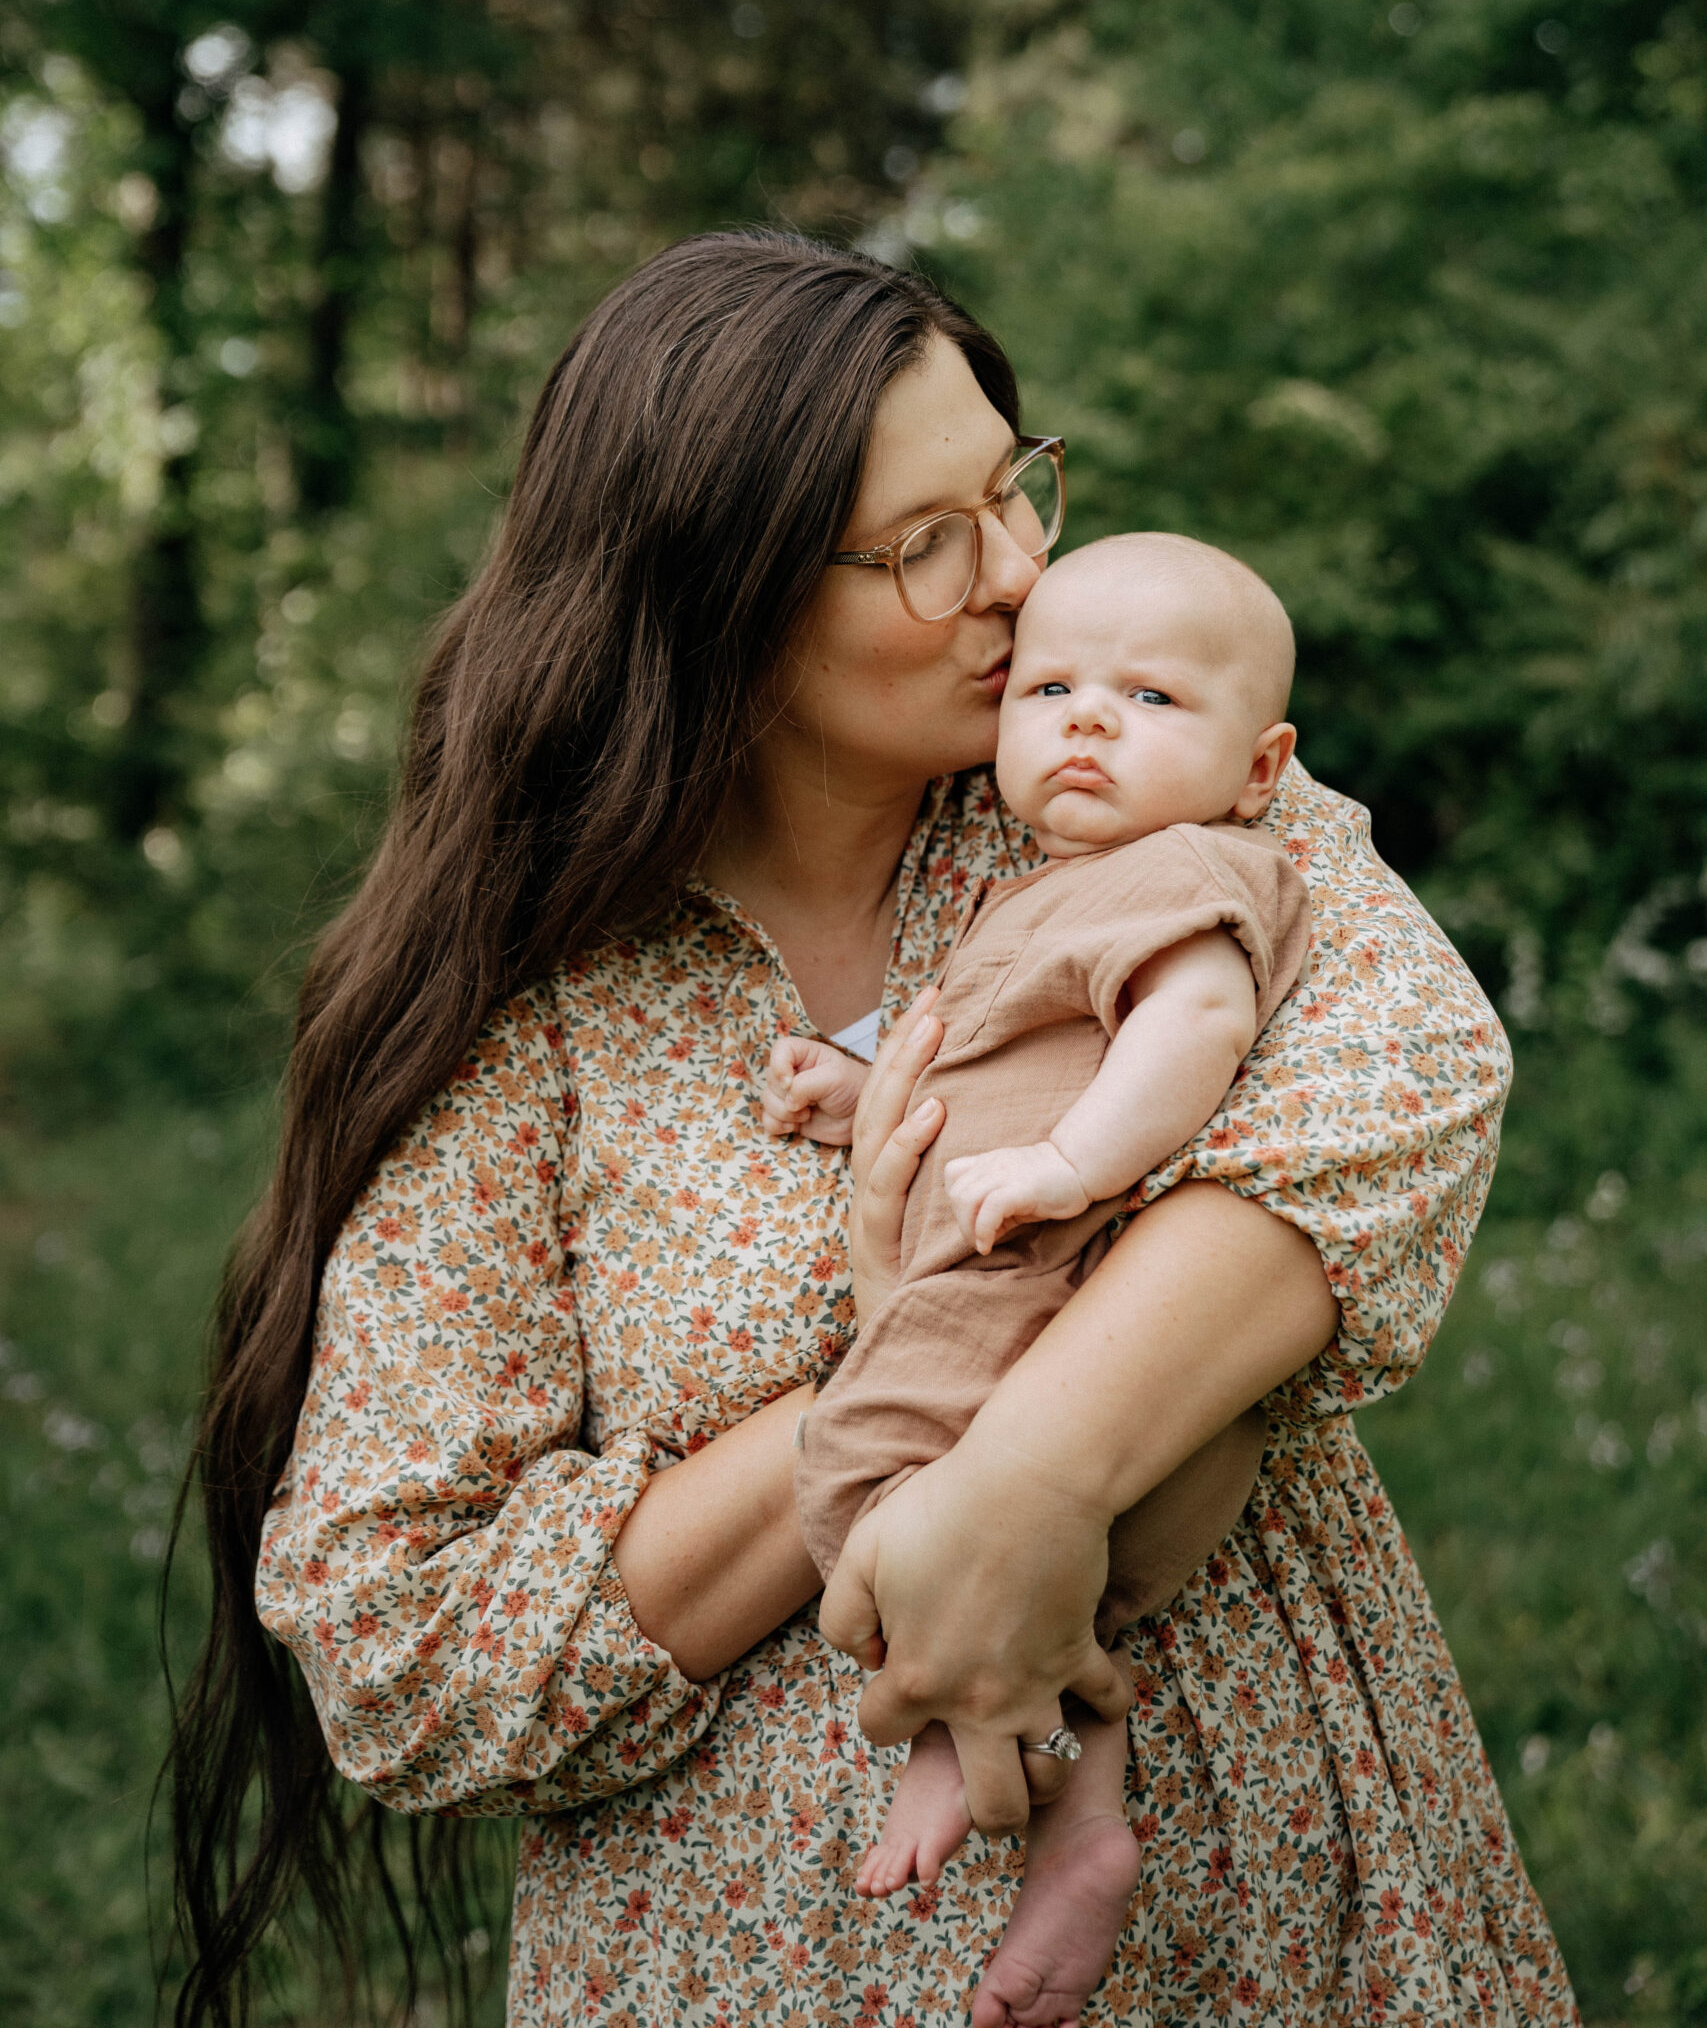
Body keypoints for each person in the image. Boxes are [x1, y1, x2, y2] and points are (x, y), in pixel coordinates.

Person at [170, 230, 1578, 2028]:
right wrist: (868, 1395)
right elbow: (404, 1646)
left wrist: (1029, 1478)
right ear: (718, 599)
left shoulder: (1118, 786)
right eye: (927, 545)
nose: (1020, 578)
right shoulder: (537, 1025)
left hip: (1285, 1917)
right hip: (787, 1967)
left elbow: (1401, 1070)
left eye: (1014, 490)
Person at [776, 532, 1310, 2027]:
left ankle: (988, 1760)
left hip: (1059, 1292)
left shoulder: (1198, 869)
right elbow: (984, 1033)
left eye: (1147, 698)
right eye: (1055, 688)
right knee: (918, 1516)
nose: (1085, 720)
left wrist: (1072, 1166)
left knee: (865, 1481)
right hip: (1009, 1295)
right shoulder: (1030, 894)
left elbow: (1187, 1031)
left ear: (1259, 768)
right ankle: (1070, 1807)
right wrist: (853, 1083)